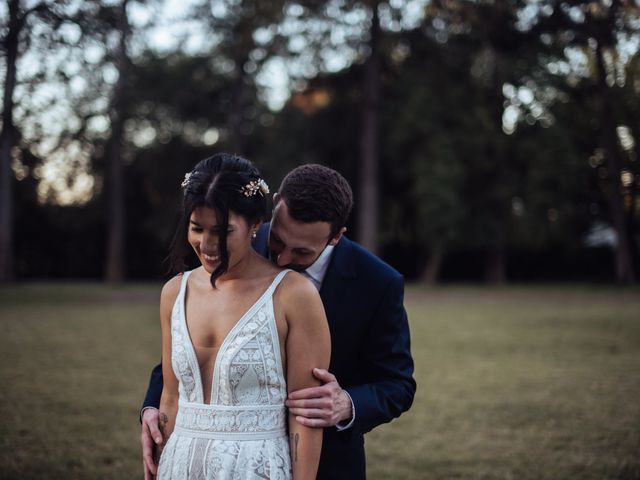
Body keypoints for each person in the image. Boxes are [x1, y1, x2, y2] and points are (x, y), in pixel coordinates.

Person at [143, 164, 416, 479]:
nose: (283, 259)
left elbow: (398, 384)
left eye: (301, 251)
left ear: (336, 236)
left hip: (325, 460)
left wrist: (347, 403)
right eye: (278, 242)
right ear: (273, 207)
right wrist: (154, 409)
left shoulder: (377, 283)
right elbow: (186, 354)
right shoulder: (230, 244)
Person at [152, 154, 331, 480]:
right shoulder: (173, 292)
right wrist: (160, 456)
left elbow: (304, 417)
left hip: (255, 466)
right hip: (178, 465)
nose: (206, 244)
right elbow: (170, 395)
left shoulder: (294, 295)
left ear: (255, 225)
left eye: (222, 231)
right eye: (196, 228)